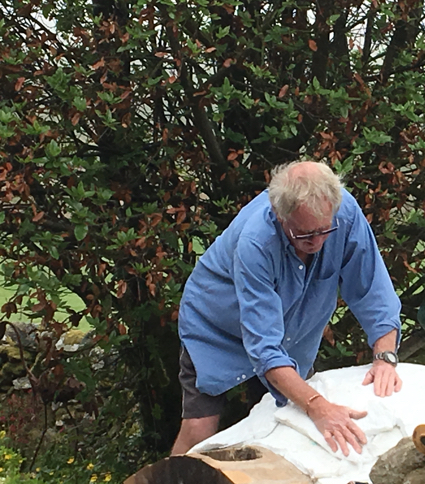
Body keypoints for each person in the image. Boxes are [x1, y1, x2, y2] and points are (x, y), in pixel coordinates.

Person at [171, 160, 402, 456]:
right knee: (199, 429)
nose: (317, 242)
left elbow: (373, 290)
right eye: (304, 234)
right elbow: (265, 350)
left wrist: (384, 357)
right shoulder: (256, 241)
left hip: (292, 332)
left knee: (288, 429)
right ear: (280, 216)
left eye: (324, 231)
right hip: (217, 325)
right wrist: (318, 406)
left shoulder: (344, 213)